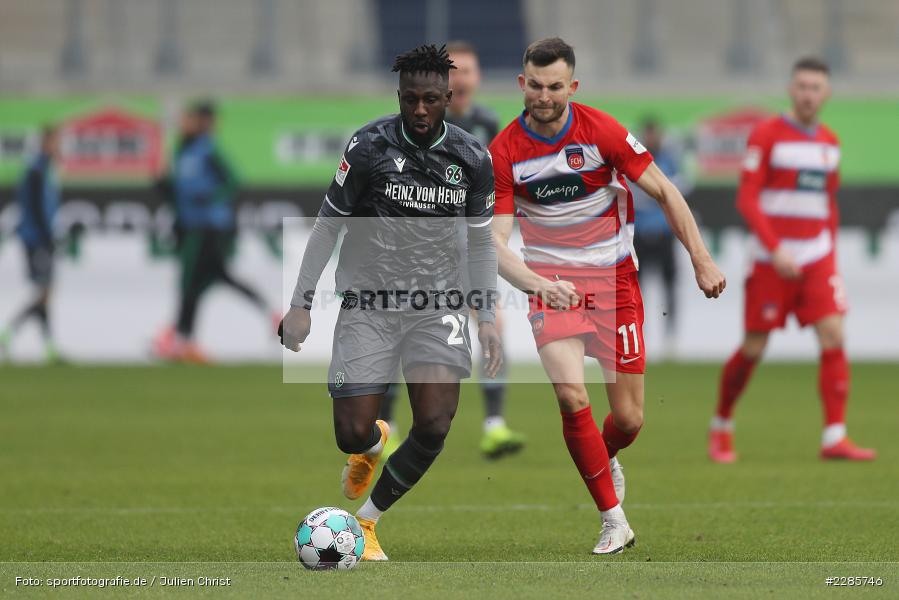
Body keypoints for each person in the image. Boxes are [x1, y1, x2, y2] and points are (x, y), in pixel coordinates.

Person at [490, 38, 725, 555]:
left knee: (629, 420)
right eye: (535, 85)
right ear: (521, 83)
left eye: (555, 87)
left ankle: (605, 452)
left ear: (572, 87)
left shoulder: (602, 132)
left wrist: (701, 258)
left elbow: (666, 191)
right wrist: (538, 286)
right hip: (551, 287)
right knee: (571, 396)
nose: (544, 96)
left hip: (614, 282)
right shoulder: (504, 151)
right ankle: (612, 519)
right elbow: (495, 243)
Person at [278, 44, 502, 561]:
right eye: (409, 100)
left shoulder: (472, 159)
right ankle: (373, 443)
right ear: (398, 96)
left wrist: (486, 314)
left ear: (449, 97)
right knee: (350, 431)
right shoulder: (368, 147)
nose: (419, 111)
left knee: (435, 423)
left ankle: (368, 523)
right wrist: (300, 302)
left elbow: (481, 243)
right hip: (369, 303)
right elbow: (327, 226)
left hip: (438, 303)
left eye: (430, 100)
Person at [709, 58, 875, 463]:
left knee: (834, 336)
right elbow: (747, 197)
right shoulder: (766, 135)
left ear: (827, 93)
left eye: (815, 87)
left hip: (816, 257)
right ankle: (722, 425)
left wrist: (830, 256)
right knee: (754, 347)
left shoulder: (829, 142)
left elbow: (827, 203)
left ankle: (834, 436)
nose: (808, 94)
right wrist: (775, 247)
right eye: (801, 86)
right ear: (790, 89)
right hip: (771, 259)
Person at [377, 40, 526, 460]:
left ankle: (494, 426)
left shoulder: (487, 123)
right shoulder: (414, 125)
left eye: (470, 71)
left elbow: (499, 185)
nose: (463, 79)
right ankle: (388, 427)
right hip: (419, 252)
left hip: (469, 247)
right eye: (456, 71)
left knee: (492, 321)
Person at [151, 101, 277, 363]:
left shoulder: (207, 151)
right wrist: (162, 182)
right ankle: (185, 340)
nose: (184, 124)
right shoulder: (182, 151)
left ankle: (180, 339)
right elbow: (177, 193)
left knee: (190, 283)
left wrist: (209, 199)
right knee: (213, 278)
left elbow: (232, 181)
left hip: (207, 227)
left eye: (188, 119)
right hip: (189, 226)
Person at [0, 126, 64, 363]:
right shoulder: (37, 170)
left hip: (38, 237)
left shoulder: (44, 169)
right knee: (45, 291)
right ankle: (9, 332)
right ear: (47, 142)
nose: (59, 148)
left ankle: (49, 346)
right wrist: (48, 236)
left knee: (44, 292)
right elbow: (36, 209)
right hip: (36, 239)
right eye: (56, 142)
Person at [631, 118, 692, 357]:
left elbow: (681, 187)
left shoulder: (668, 160)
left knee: (669, 287)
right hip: (639, 233)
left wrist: (660, 193)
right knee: (637, 288)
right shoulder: (633, 159)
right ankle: (638, 336)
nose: (651, 138)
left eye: (654, 134)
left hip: (665, 232)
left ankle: (670, 339)